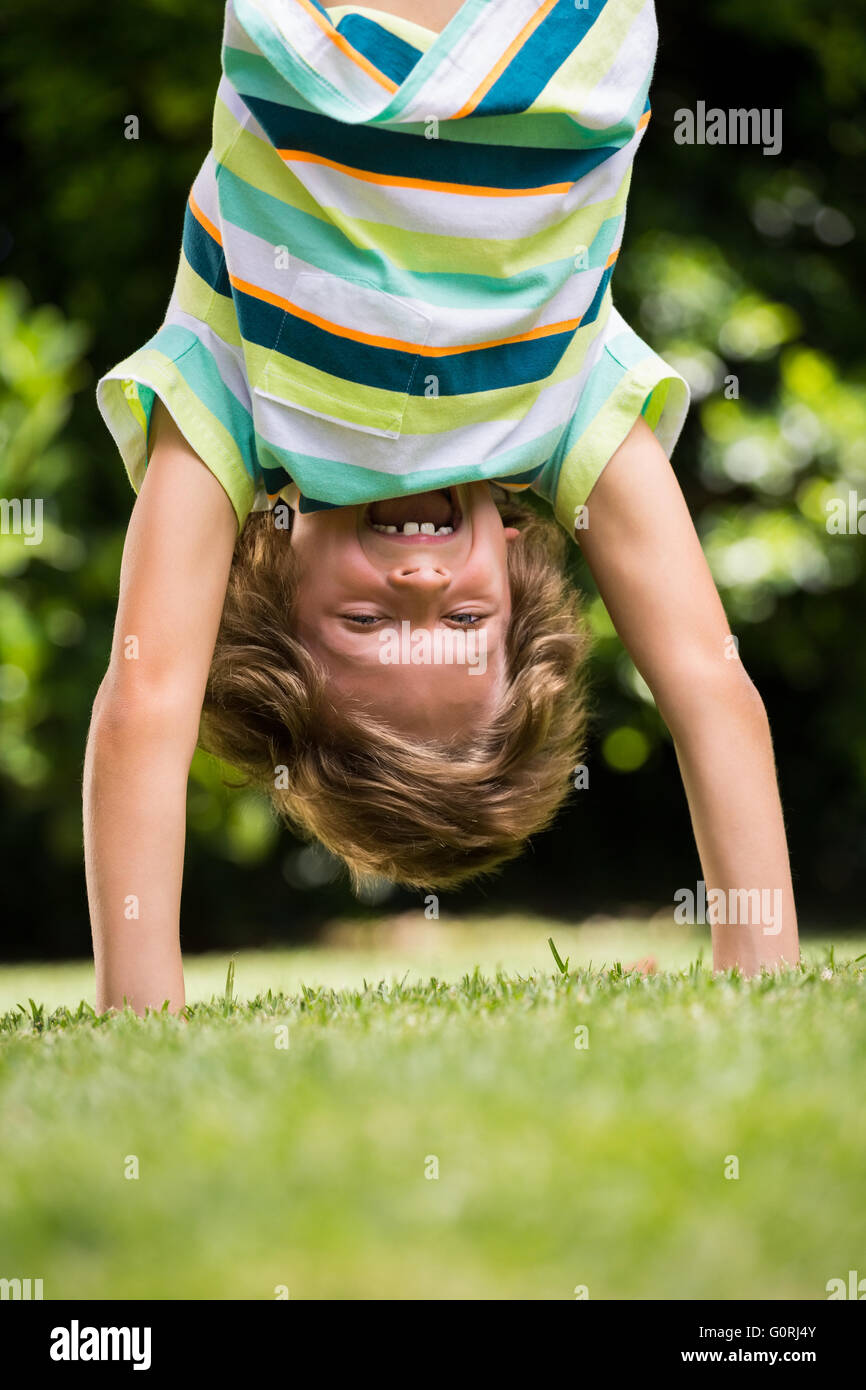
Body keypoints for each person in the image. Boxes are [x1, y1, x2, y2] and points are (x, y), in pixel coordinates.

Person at [85, 0, 799, 1013]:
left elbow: (145, 707)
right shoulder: (557, 416)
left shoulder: (239, 403)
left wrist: (138, 1004)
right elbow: (706, 683)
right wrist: (757, 960)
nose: (422, 580)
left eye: (367, 622)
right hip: (559, 43)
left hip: (322, 40)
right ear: (512, 575)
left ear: (279, 591)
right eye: (463, 621)